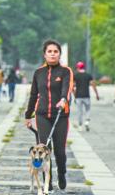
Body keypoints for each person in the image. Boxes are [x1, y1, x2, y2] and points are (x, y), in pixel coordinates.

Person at [24, 40, 74, 191]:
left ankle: (62, 173)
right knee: (45, 149)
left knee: (59, 151)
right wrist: (28, 116)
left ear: (59, 54)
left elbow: (67, 87)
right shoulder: (38, 73)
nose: (53, 54)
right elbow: (33, 95)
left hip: (60, 115)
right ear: (45, 54)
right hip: (42, 115)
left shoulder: (66, 71)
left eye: (55, 51)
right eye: (50, 51)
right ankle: (48, 183)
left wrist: (63, 99)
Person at [73, 61, 100, 132]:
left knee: (79, 111)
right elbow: (93, 85)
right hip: (86, 96)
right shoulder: (88, 75)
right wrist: (97, 94)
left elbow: (73, 87)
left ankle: (80, 126)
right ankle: (87, 122)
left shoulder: (75, 76)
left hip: (78, 96)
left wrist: (74, 96)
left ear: (78, 68)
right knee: (87, 110)